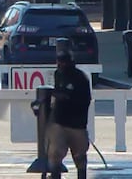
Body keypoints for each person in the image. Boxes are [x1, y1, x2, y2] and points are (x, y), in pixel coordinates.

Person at [45, 48, 92, 179]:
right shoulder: (58, 74)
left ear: (71, 62)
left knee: (80, 155)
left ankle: (81, 175)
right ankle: (55, 175)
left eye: (63, 63)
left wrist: (66, 97)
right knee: (55, 152)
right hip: (59, 122)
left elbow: (85, 100)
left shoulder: (81, 78)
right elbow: (57, 91)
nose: (60, 65)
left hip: (77, 124)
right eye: (58, 62)